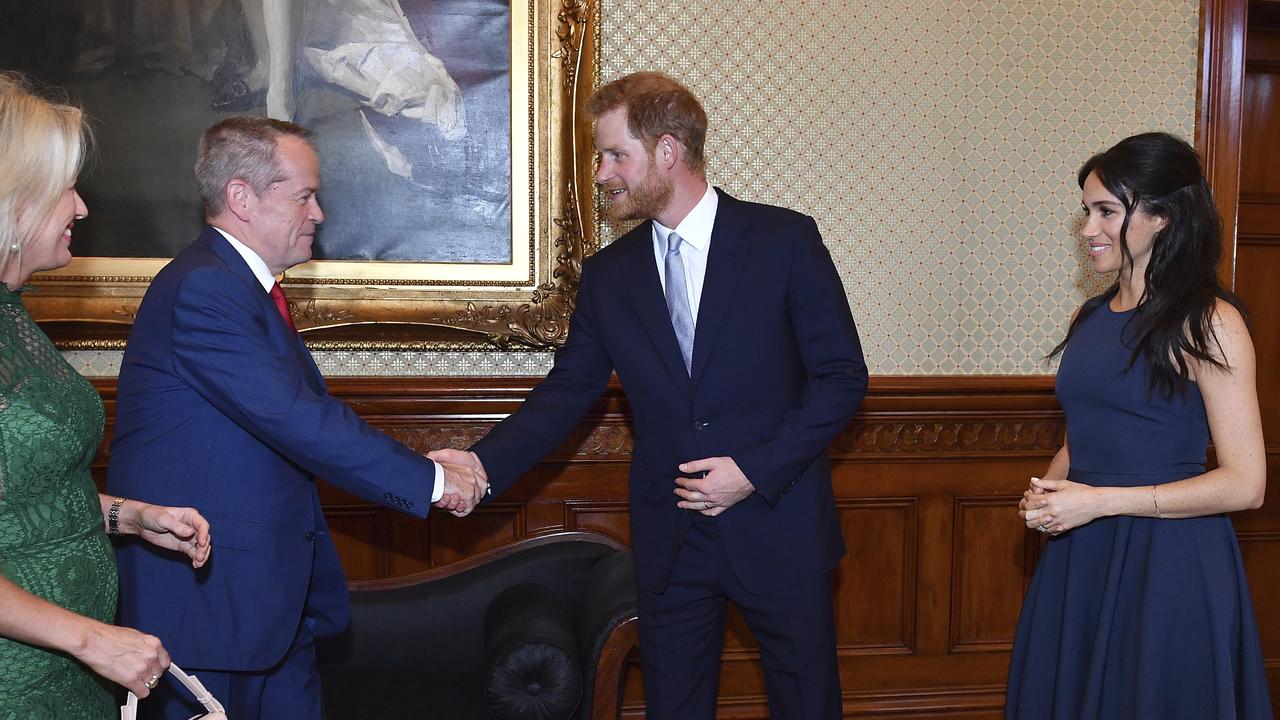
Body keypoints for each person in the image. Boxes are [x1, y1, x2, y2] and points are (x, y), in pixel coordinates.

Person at [430, 72, 867, 719]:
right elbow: (569, 390)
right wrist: (481, 464)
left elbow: (842, 379)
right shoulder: (610, 277)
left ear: (667, 151)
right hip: (674, 542)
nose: (602, 172)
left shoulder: (784, 242)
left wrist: (752, 472)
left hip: (781, 531)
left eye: (615, 155)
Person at [106, 115, 486, 719]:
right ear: (241, 197)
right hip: (211, 617)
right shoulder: (204, 289)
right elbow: (299, 420)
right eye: (304, 195)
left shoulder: (240, 289)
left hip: (269, 614)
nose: (319, 214)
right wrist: (435, 482)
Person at [1007, 132, 1270, 718]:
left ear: (1163, 217)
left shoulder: (1210, 322)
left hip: (1170, 559)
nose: (1088, 230)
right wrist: (1048, 492)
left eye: (1107, 212)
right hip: (1082, 551)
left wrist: (1100, 501)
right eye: (1086, 212)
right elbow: (1082, 437)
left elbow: (1246, 484)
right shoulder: (1090, 315)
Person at [0, 72, 212, 717]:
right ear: (14, 198)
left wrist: (131, 516)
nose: (81, 208)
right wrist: (92, 640)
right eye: (66, 187)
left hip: (71, 673)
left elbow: (27, 495)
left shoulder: (12, 314)